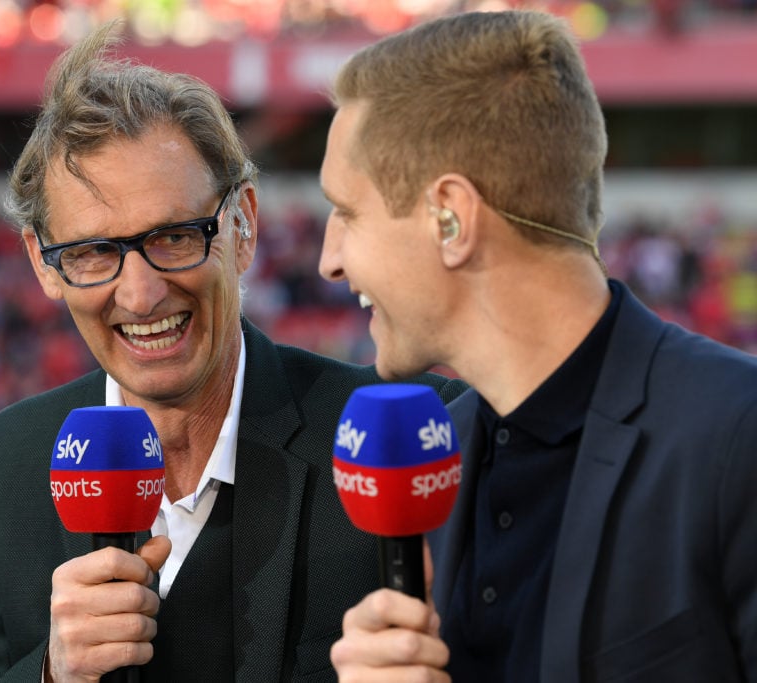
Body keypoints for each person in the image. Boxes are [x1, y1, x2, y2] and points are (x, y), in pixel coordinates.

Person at [0, 21, 467, 683]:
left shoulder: (414, 440)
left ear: (243, 226)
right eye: (94, 252)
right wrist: (51, 674)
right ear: (43, 263)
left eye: (176, 236)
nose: (142, 292)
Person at [317, 10, 757, 683]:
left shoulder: (735, 436)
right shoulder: (435, 451)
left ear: (451, 218)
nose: (329, 260)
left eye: (346, 213)